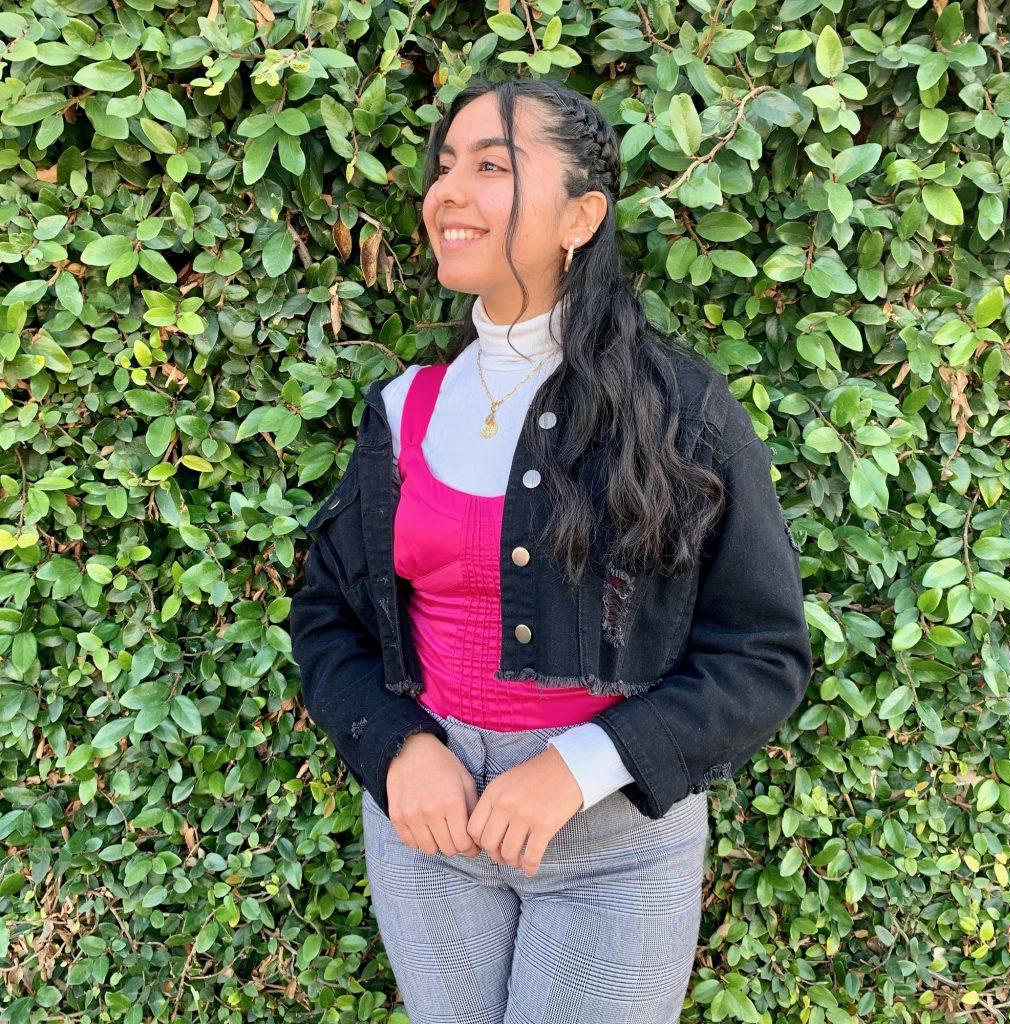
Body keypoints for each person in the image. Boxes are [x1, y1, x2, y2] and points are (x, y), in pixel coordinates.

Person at [290, 74, 812, 1024]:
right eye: (444, 166)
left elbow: (761, 656)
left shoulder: (679, 412)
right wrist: (398, 747)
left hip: (611, 843)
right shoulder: (405, 410)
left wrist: (580, 765)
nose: (448, 190)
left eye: (492, 166)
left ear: (581, 215)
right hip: (430, 831)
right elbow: (326, 617)